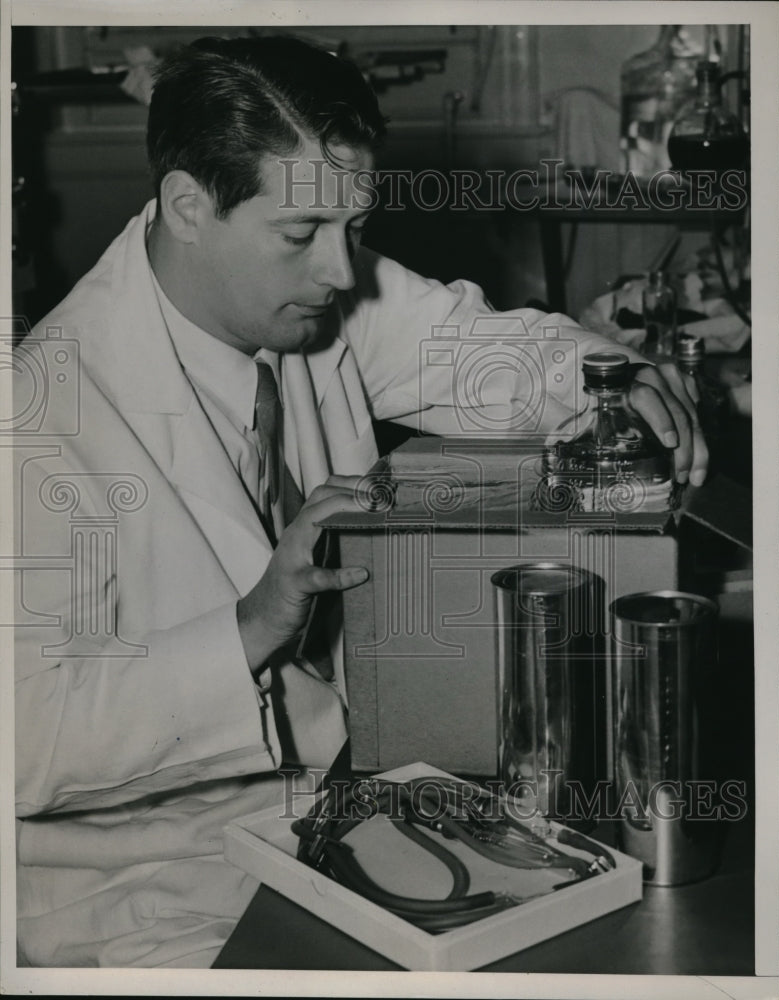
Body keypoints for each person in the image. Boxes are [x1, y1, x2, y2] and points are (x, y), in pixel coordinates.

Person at [13, 35, 707, 968]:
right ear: (187, 205)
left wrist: (608, 378)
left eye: (353, 226)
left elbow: (473, 347)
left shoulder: (303, 299)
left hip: (334, 796)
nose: (342, 272)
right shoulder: (42, 416)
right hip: (146, 881)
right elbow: (22, 735)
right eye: (301, 236)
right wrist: (250, 627)